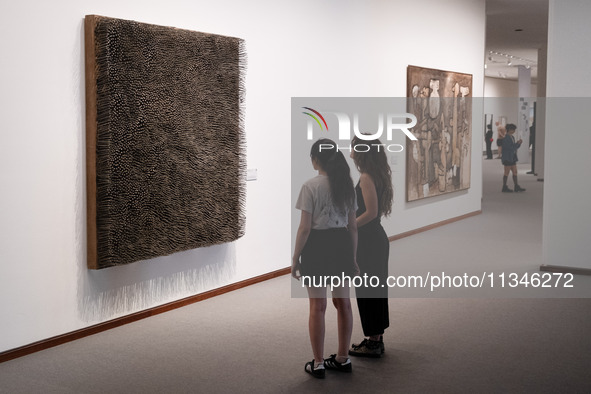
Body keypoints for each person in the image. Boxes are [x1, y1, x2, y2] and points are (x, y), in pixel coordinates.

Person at [292, 138, 359, 379]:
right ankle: (343, 358)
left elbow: (305, 229)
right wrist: (352, 258)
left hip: (317, 247)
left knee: (317, 307)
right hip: (341, 245)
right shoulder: (346, 185)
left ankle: (319, 363)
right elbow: (353, 227)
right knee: (344, 304)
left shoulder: (310, 186)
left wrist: (295, 256)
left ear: (315, 159)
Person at [348, 135, 393, 358]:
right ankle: (376, 337)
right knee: (375, 288)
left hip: (368, 241)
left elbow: (371, 213)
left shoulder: (366, 177)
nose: (350, 152)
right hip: (376, 239)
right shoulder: (378, 174)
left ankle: (373, 342)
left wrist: (349, 227)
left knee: (367, 290)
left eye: (353, 148)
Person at [501, 123, 526, 192]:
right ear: (510, 130)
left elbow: (514, 147)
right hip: (507, 157)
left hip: (512, 157)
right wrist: (518, 144)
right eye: (513, 129)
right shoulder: (506, 138)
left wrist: (518, 144)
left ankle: (516, 186)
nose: (514, 131)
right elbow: (510, 148)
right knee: (507, 172)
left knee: (515, 172)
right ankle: (504, 187)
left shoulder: (512, 137)